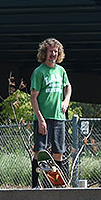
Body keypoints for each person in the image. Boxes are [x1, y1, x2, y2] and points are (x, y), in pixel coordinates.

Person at [29, 38, 72, 189]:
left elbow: (68, 87)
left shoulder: (61, 71)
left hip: (58, 118)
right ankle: (35, 185)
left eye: (56, 51)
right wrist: (40, 119)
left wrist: (66, 100)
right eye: (50, 51)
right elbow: (33, 97)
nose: (53, 54)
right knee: (39, 151)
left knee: (58, 152)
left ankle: (56, 185)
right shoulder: (39, 72)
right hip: (43, 118)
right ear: (44, 53)